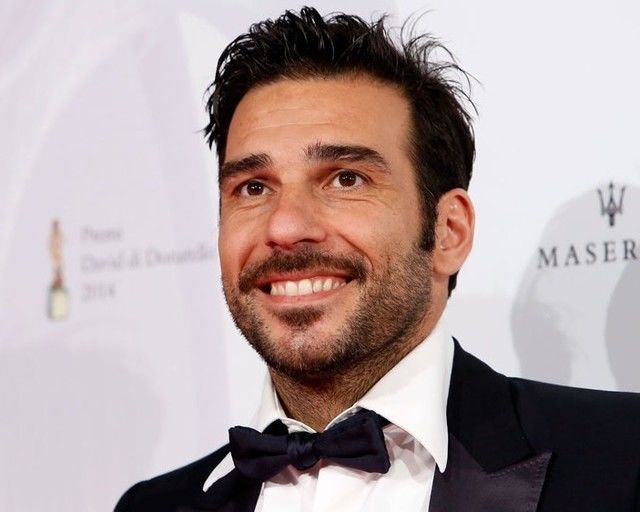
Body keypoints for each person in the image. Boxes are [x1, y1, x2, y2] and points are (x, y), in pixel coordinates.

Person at [116, 7, 640, 511]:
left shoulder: (622, 459)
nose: (285, 226)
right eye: (254, 187)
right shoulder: (151, 506)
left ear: (448, 231)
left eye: (346, 179)